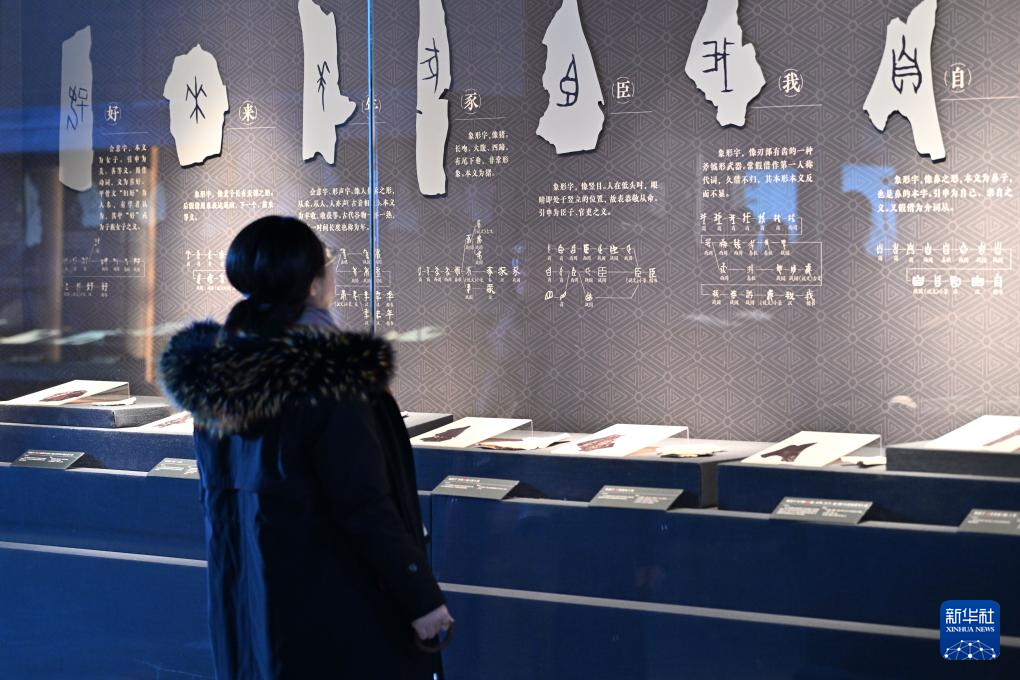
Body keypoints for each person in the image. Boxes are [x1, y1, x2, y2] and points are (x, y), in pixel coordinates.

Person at [160, 216, 453, 679]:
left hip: (254, 605)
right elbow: (363, 504)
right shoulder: (329, 379)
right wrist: (421, 598)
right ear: (314, 285)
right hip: (335, 614)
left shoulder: (215, 377)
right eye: (328, 262)